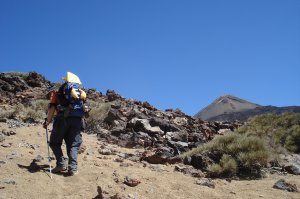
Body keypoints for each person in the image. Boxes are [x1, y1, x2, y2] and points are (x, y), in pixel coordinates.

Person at [43, 72, 87, 176]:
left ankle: (61, 164)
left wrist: (47, 122)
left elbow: (52, 108)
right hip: (77, 121)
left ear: (66, 80)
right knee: (73, 145)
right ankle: (72, 168)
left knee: (54, 142)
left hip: (62, 119)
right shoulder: (81, 92)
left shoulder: (58, 92)